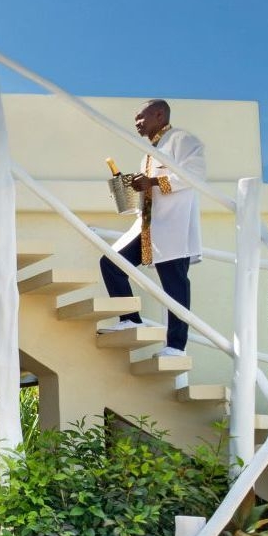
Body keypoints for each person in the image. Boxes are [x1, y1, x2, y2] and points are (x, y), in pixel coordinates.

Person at [100, 99, 205, 357]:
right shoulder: (148, 152)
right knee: (112, 263)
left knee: (175, 287)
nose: (137, 123)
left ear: (159, 114)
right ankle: (130, 318)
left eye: (141, 117)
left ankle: (176, 346)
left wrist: (154, 182)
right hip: (148, 225)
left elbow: (195, 175)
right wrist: (136, 188)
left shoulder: (182, 140)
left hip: (173, 226)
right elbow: (150, 188)